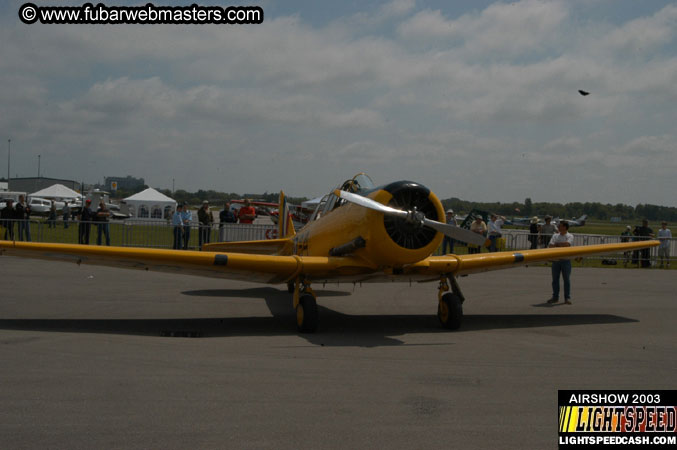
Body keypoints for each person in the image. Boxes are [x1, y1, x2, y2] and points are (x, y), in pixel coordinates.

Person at [547, 221, 574, 305]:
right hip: (556, 261)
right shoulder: (555, 235)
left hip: (566, 260)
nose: (558, 227)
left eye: (560, 226)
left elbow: (567, 245)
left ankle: (567, 298)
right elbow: (550, 246)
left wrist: (557, 244)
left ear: (565, 227)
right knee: (555, 280)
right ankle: (555, 297)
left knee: (566, 280)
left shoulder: (570, 236)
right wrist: (560, 245)